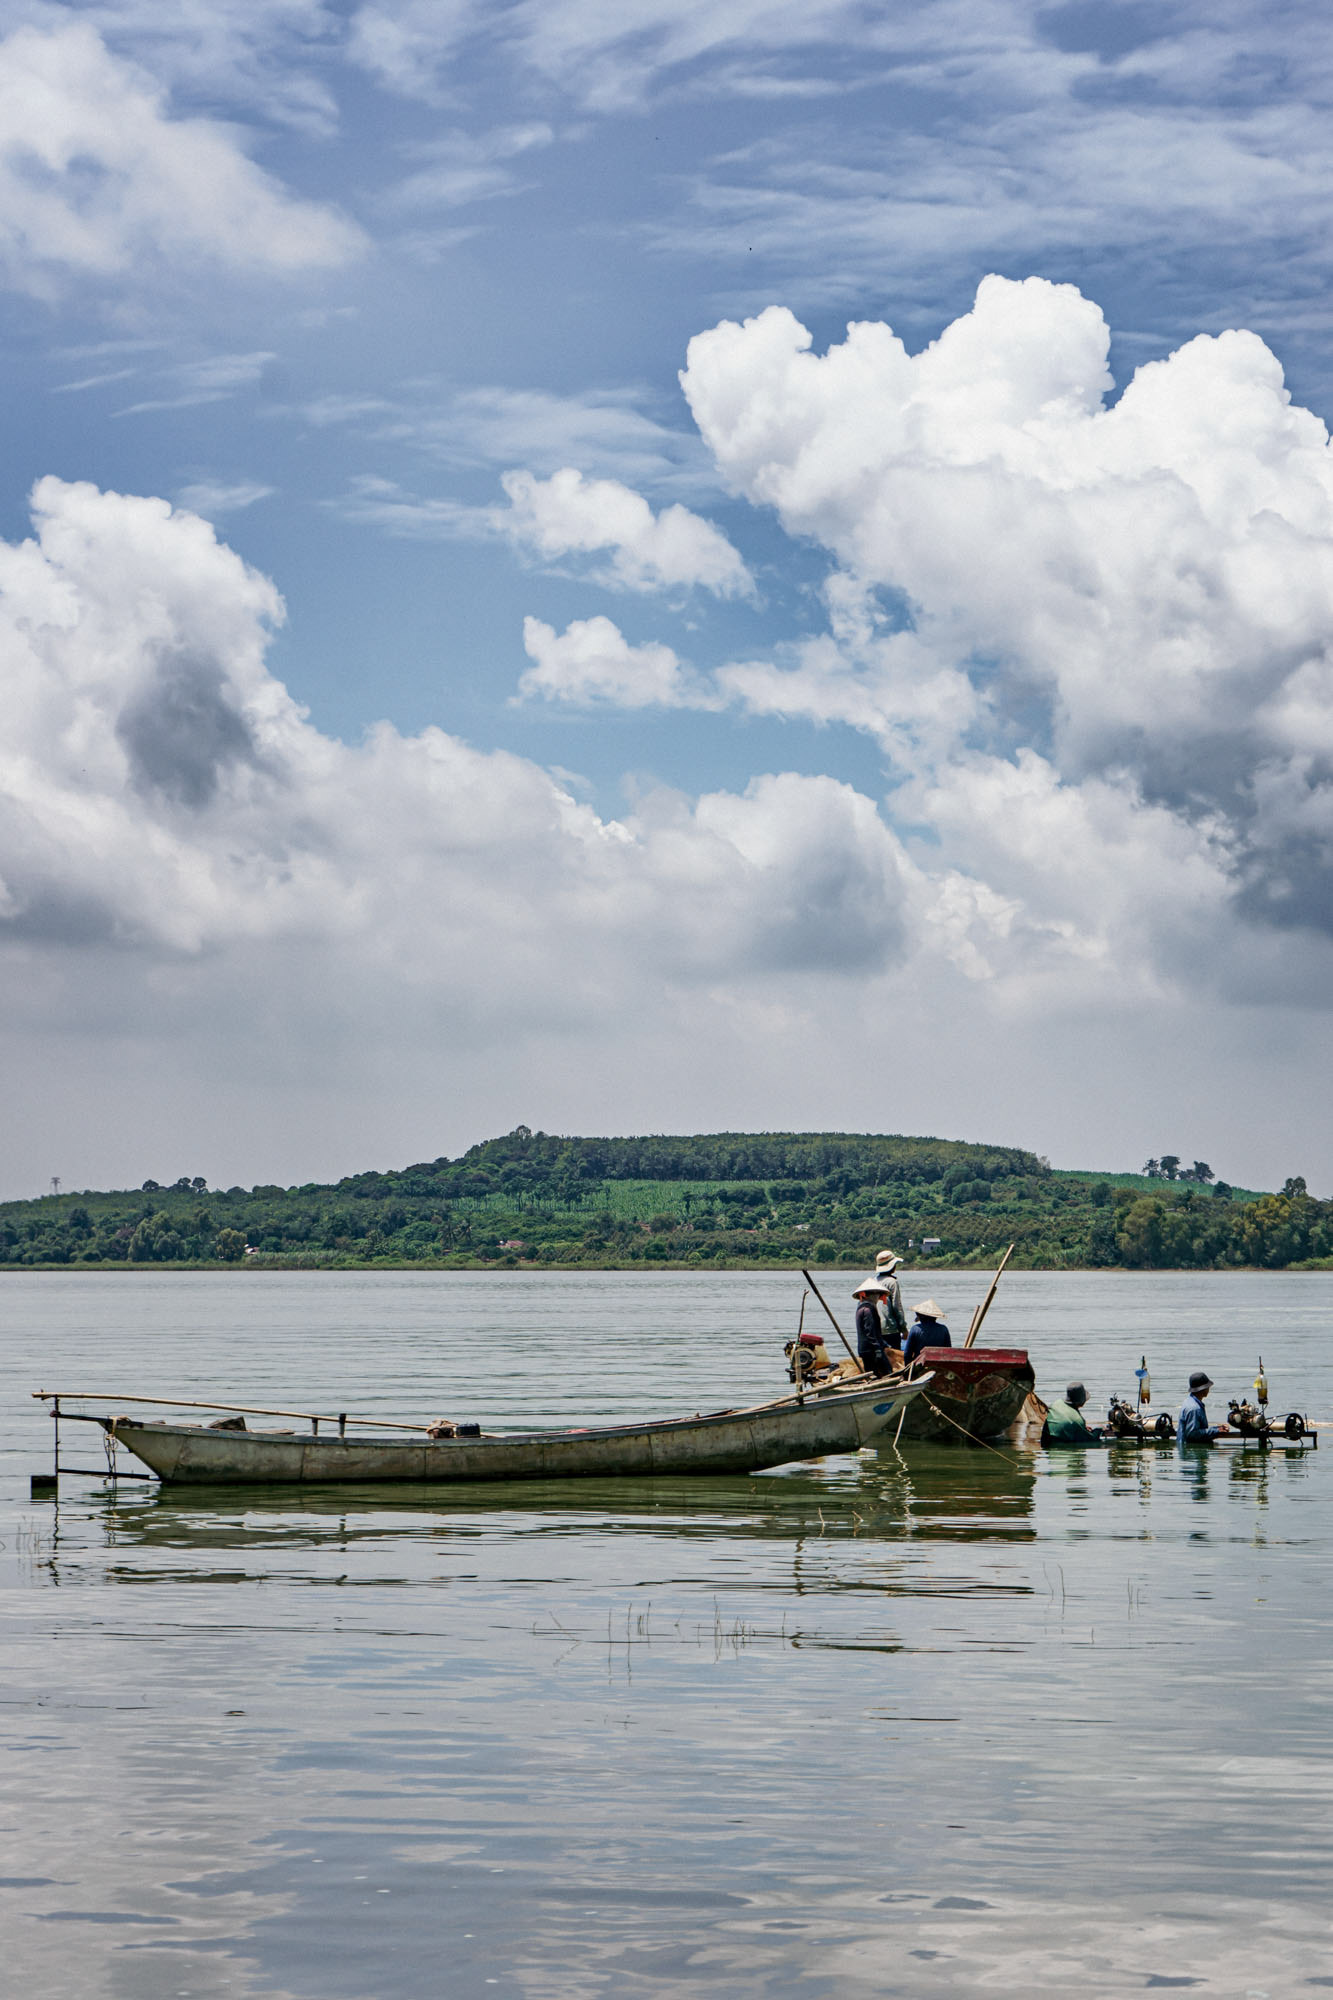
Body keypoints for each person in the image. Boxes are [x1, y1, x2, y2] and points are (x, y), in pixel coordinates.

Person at [1041, 1382, 1104, 1447]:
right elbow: (1091, 1440)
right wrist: (1100, 1428)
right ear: (1081, 1400)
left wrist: (1082, 1428)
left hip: (1047, 1445)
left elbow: (1062, 1421)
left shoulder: (1056, 1404)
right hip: (1064, 1449)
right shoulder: (1077, 1419)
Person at [853, 1281, 895, 1376]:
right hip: (871, 1350)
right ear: (869, 1295)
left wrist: (884, 1344)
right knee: (887, 1372)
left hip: (864, 1349)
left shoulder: (860, 1308)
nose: (878, 1297)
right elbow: (870, 1332)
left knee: (872, 1373)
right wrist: (877, 1349)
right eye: (877, 1294)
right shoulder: (869, 1310)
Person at [1179, 1370, 1229, 1444]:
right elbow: (1192, 1434)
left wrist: (1217, 1428)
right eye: (1207, 1387)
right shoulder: (1194, 1409)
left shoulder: (1189, 1401)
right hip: (1191, 1449)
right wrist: (1216, 1430)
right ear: (1202, 1389)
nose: (1209, 1389)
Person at [874, 1250, 909, 1350]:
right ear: (892, 1266)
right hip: (890, 1329)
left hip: (876, 1329)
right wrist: (903, 1329)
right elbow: (897, 1306)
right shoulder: (892, 1282)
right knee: (894, 1357)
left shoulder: (874, 1281)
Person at [903, 1299, 950, 1368]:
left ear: (920, 1316)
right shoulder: (944, 1329)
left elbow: (907, 1354)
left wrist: (908, 1369)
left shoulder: (915, 1329)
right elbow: (948, 1351)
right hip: (939, 1365)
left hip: (920, 1366)